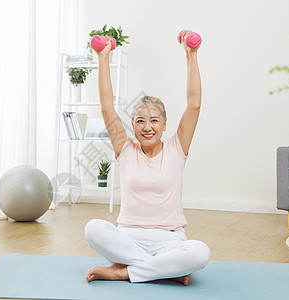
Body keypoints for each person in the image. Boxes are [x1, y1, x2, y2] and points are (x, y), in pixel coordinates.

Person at [84, 32, 210, 285]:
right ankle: (164, 271)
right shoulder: (126, 149)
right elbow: (107, 107)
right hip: (128, 239)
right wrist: (103, 56)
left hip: (170, 240)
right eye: (140, 121)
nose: (147, 127)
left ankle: (124, 271)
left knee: (200, 252)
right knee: (93, 228)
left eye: (154, 120)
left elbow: (194, 105)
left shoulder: (177, 148)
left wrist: (191, 54)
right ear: (132, 125)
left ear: (164, 125)